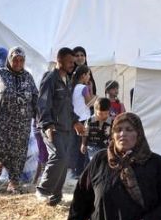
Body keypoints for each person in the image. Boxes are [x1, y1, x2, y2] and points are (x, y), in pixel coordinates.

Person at [0, 46, 39, 194]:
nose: (18, 63)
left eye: (21, 60)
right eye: (15, 60)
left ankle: (13, 183)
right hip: (2, 124)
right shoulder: (0, 74)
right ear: (9, 60)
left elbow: (36, 97)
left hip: (22, 126)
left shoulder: (28, 77)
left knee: (18, 156)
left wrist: (39, 114)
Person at [36, 47, 86, 206]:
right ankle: (43, 190)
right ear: (59, 61)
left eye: (74, 62)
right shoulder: (50, 78)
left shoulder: (68, 81)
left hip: (66, 127)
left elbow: (68, 107)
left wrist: (76, 122)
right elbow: (43, 103)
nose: (73, 64)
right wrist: (48, 125)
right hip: (53, 127)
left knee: (65, 161)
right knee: (59, 156)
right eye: (70, 62)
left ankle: (55, 196)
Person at [69, 64, 96, 179]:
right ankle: (83, 172)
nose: (89, 77)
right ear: (83, 75)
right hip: (84, 120)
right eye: (88, 74)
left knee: (75, 147)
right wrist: (94, 95)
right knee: (84, 147)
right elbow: (89, 103)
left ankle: (75, 171)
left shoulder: (72, 87)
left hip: (74, 119)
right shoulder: (83, 88)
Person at [81, 97, 112, 161]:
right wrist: (83, 144)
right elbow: (85, 133)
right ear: (95, 111)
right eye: (100, 114)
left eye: (106, 113)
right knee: (95, 160)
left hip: (105, 146)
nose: (103, 116)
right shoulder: (90, 120)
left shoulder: (110, 120)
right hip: (93, 145)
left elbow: (112, 134)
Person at [72, 46, 98, 110]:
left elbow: (93, 91)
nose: (80, 58)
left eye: (82, 55)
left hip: (87, 110)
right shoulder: (69, 72)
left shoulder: (88, 71)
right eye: (77, 56)